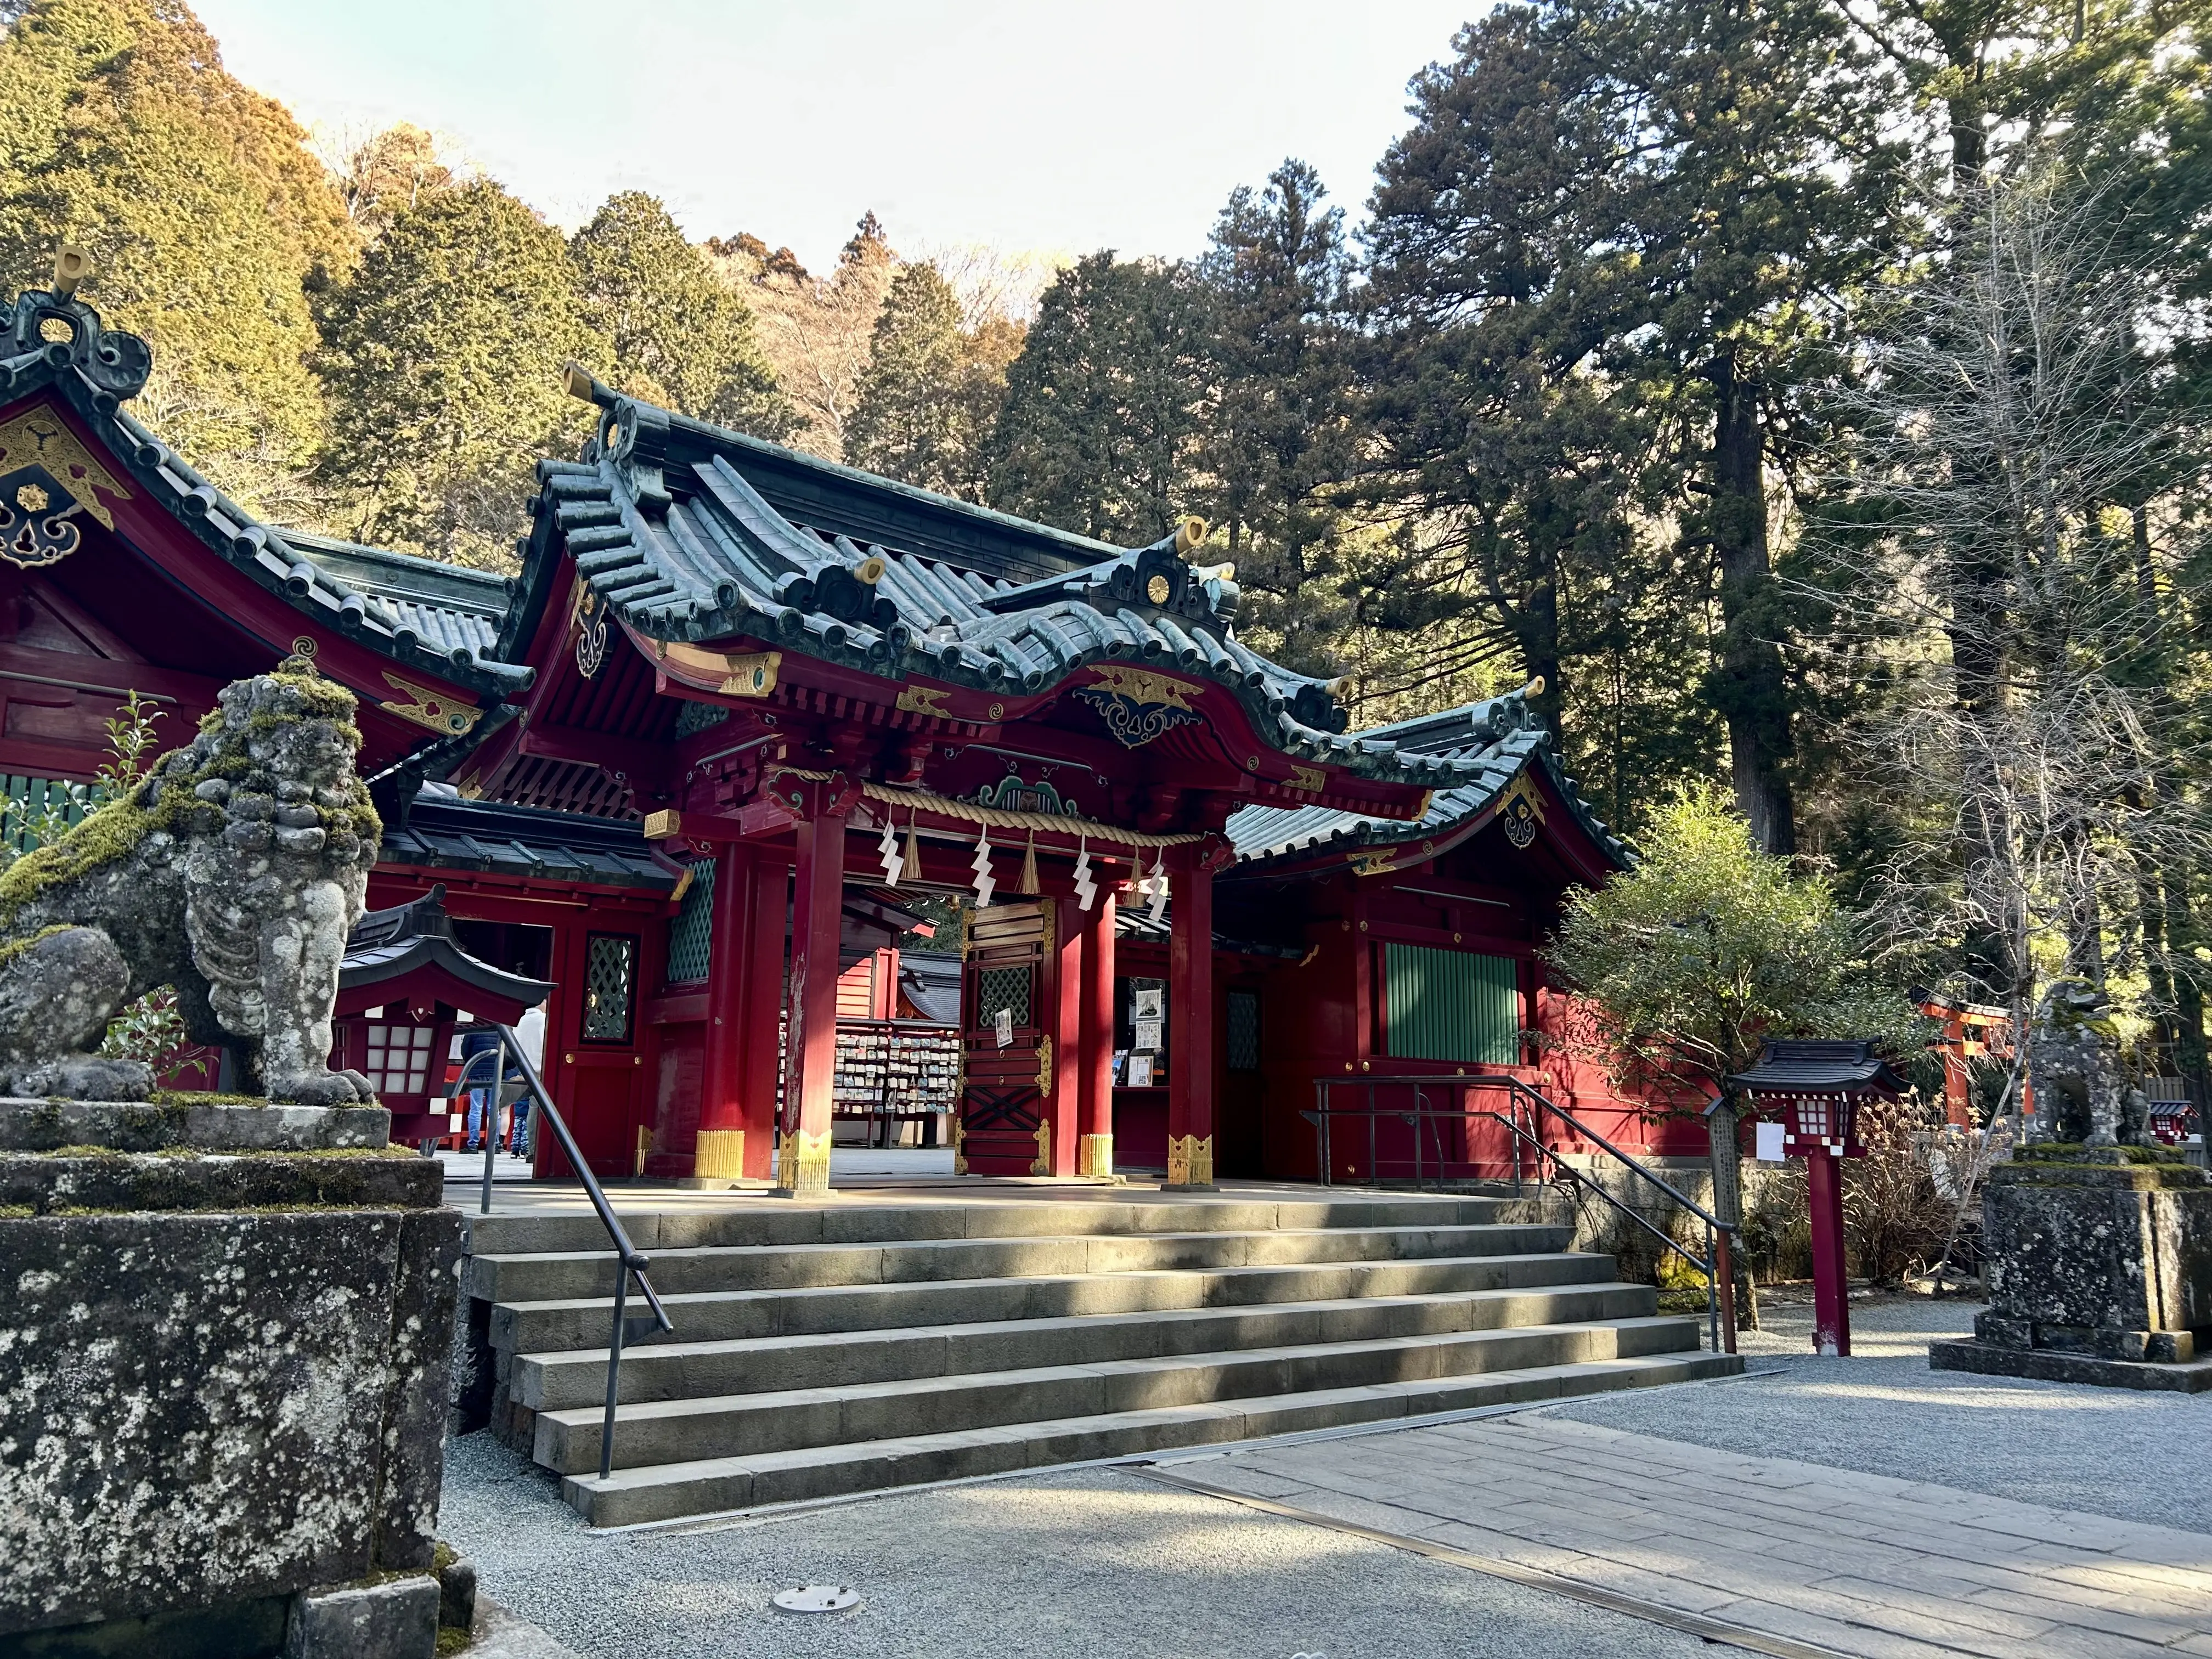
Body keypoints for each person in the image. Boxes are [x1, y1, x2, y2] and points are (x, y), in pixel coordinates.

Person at [506, 1001, 548, 1157]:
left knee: (532, 1110)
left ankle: (532, 1150)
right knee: (537, 1111)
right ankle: (535, 1151)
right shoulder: (544, 1021)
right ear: (542, 1002)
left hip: (525, 1070)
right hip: (542, 1070)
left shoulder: (519, 1021)